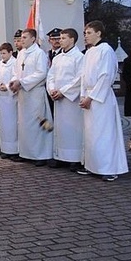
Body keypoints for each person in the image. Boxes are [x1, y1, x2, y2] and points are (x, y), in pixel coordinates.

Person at [77, 20, 128, 181]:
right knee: (91, 135)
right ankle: (93, 166)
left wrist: (91, 97)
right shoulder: (90, 51)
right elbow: (84, 76)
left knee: (104, 134)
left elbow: (105, 76)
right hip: (89, 96)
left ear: (99, 33)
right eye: (85, 33)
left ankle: (108, 168)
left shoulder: (105, 50)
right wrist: (83, 95)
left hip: (101, 98)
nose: (86, 36)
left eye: (89, 33)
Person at [9, 29, 53, 166]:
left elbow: (41, 73)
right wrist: (14, 81)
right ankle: (25, 152)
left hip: (35, 93)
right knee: (24, 124)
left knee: (37, 124)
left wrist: (22, 82)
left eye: (25, 37)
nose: (22, 40)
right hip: (23, 94)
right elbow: (16, 72)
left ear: (33, 39)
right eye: (21, 37)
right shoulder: (21, 53)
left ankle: (40, 155)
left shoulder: (39, 53)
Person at [46, 28, 84, 171]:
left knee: (73, 128)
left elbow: (79, 78)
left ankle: (75, 158)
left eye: (63, 38)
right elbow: (51, 76)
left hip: (71, 99)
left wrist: (63, 91)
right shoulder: (57, 58)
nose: (59, 40)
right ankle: (61, 156)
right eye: (59, 38)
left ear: (72, 40)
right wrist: (52, 89)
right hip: (58, 98)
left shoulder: (79, 57)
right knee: (61, 128)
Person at [0, 43, 18, 158]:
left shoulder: (15, 63)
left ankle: (14, 150)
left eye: (4, 53)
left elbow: (16, 77)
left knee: (12, 124)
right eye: (1, 53)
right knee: (3, 125)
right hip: (3, 99)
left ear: (10, 52)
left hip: (11, 98)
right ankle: (5, 149)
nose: (2, 56)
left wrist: (8, 86)